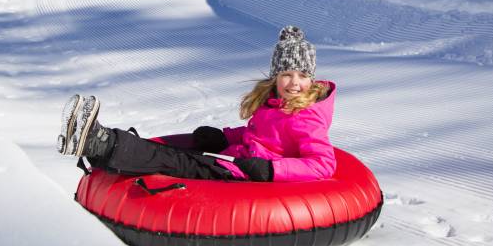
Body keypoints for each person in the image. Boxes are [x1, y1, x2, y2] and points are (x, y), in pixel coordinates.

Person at [56, 25, 337, 182]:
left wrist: (272, 170)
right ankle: (97, 147)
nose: (294, 83)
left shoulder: (307, 117)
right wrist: (224, 136)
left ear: (311, 79)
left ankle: (100, 143)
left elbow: (323, 165)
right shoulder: (274, 103)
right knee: (178, 146)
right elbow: (262, 136)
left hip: (244, 173)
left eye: (301, 76)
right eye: (286, 74)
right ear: (276, 76)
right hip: (238, 157)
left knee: (175, 161)